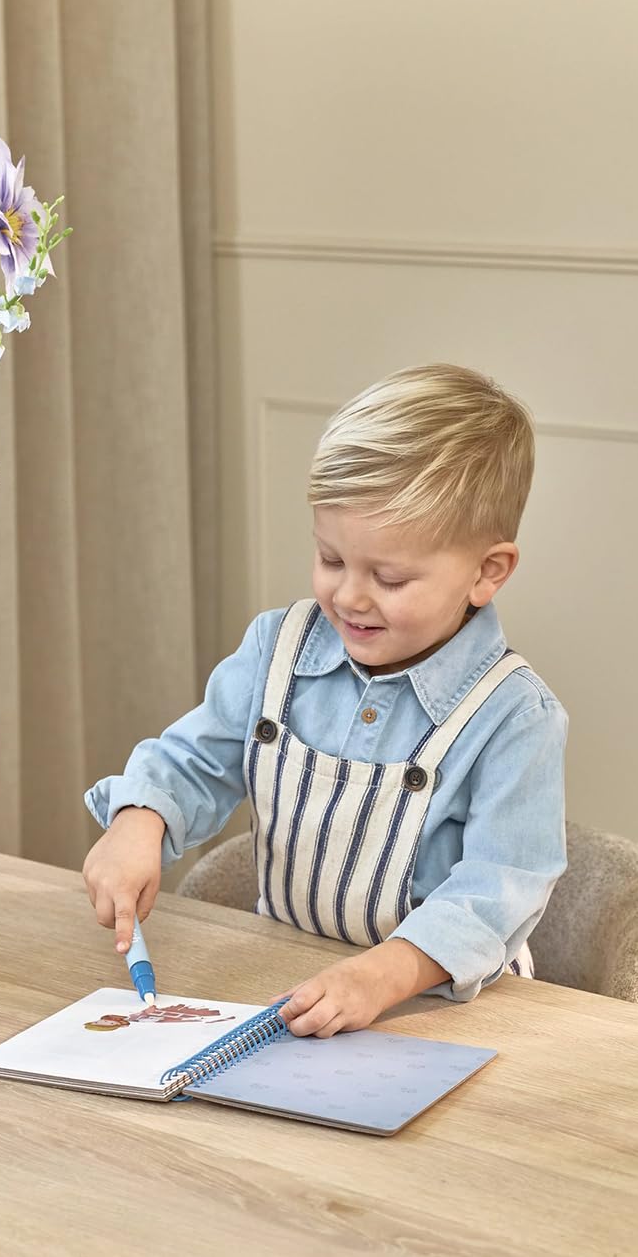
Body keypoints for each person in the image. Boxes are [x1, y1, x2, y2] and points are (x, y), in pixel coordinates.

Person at [83, 363, 567, 1038]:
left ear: (488, 572)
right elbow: (194, 763)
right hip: (291, 985)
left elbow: (496, 892)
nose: (348, 596)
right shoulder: (275, 649)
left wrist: (379, 976)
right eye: (331, 560)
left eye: (389, 578)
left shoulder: (515, 717)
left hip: (440, 1011)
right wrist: (139, 820)